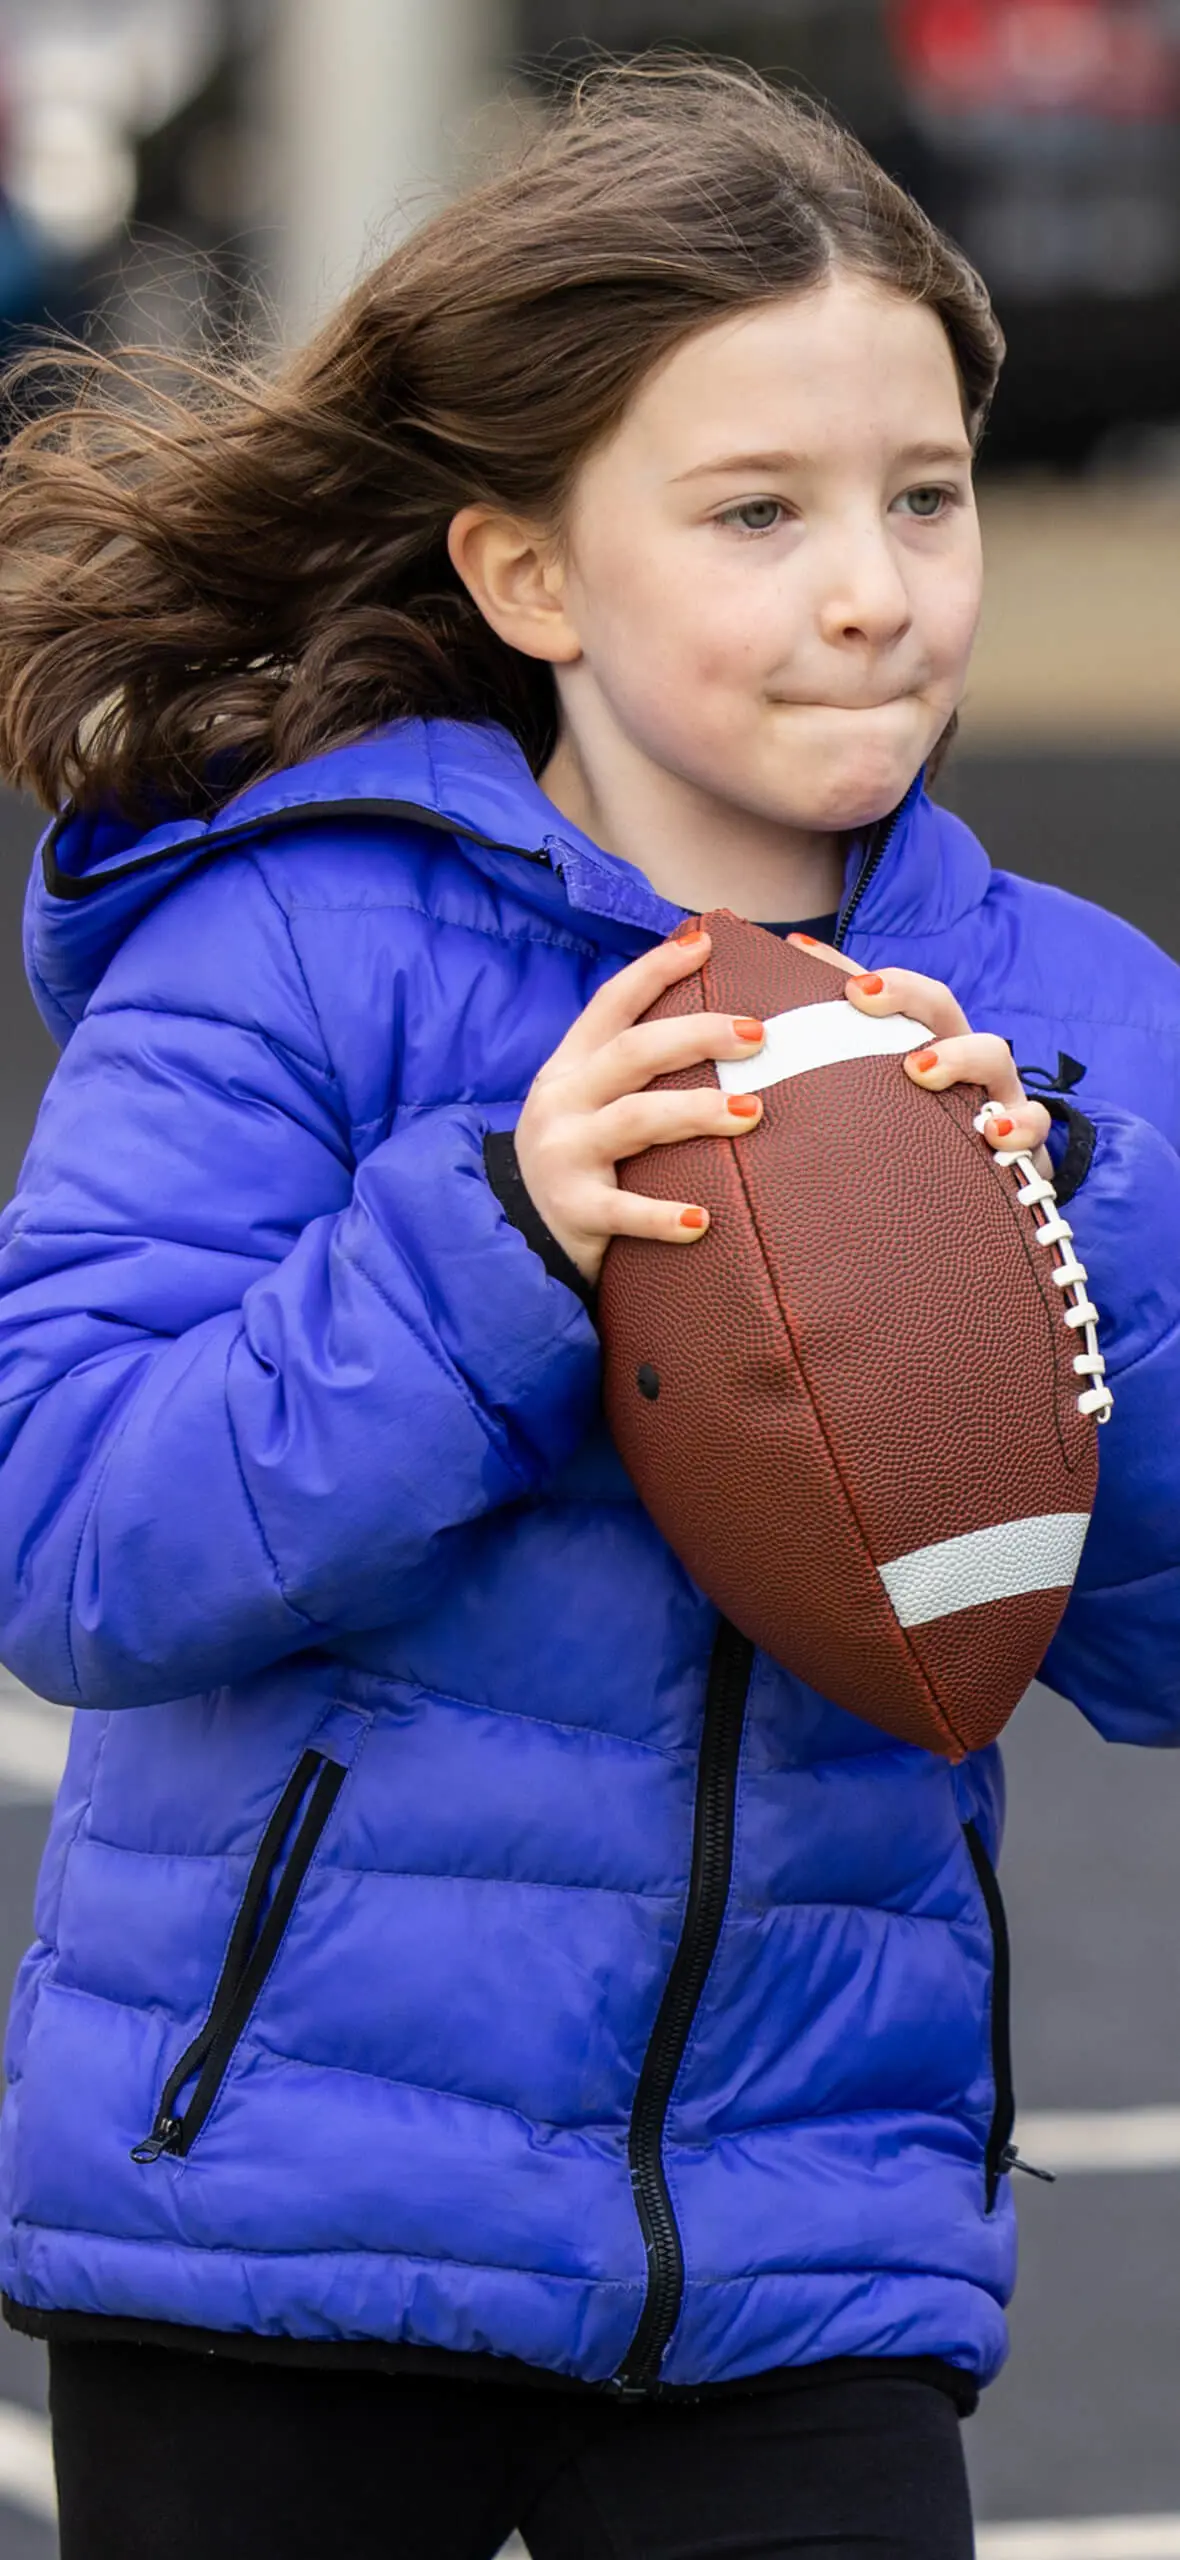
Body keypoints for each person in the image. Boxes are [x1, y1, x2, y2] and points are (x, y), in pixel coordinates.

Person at [0, 58, 1177, 2560]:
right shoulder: (290, 939)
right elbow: (74, 1542)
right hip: (272, 2247)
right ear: (527, 576)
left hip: (797, 2269)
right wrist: (500, 1236)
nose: (870, 585)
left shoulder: (1068, 1017)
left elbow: (1162, 1641)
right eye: (755, 512)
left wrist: (1061, 1247)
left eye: (923, 497)